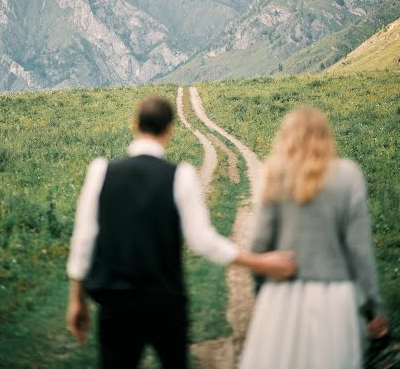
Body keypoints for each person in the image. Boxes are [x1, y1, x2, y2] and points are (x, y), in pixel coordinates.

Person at [66, 95, 296, 369]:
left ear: (134, 124)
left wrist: (77, 299)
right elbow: (203, 241)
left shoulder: (100, 172)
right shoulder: (181, 176)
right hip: (165, 303)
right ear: (170, 129)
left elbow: (83, 239)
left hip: (116, 304)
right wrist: (259, 262)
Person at [239, 106, 389, 369]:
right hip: (336, 297)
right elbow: (360, 251)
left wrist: (261, 286)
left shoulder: (276, 174)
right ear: (326, 137)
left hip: (283, 293)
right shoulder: (348, 175)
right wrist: (374, 307)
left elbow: (259, 245)